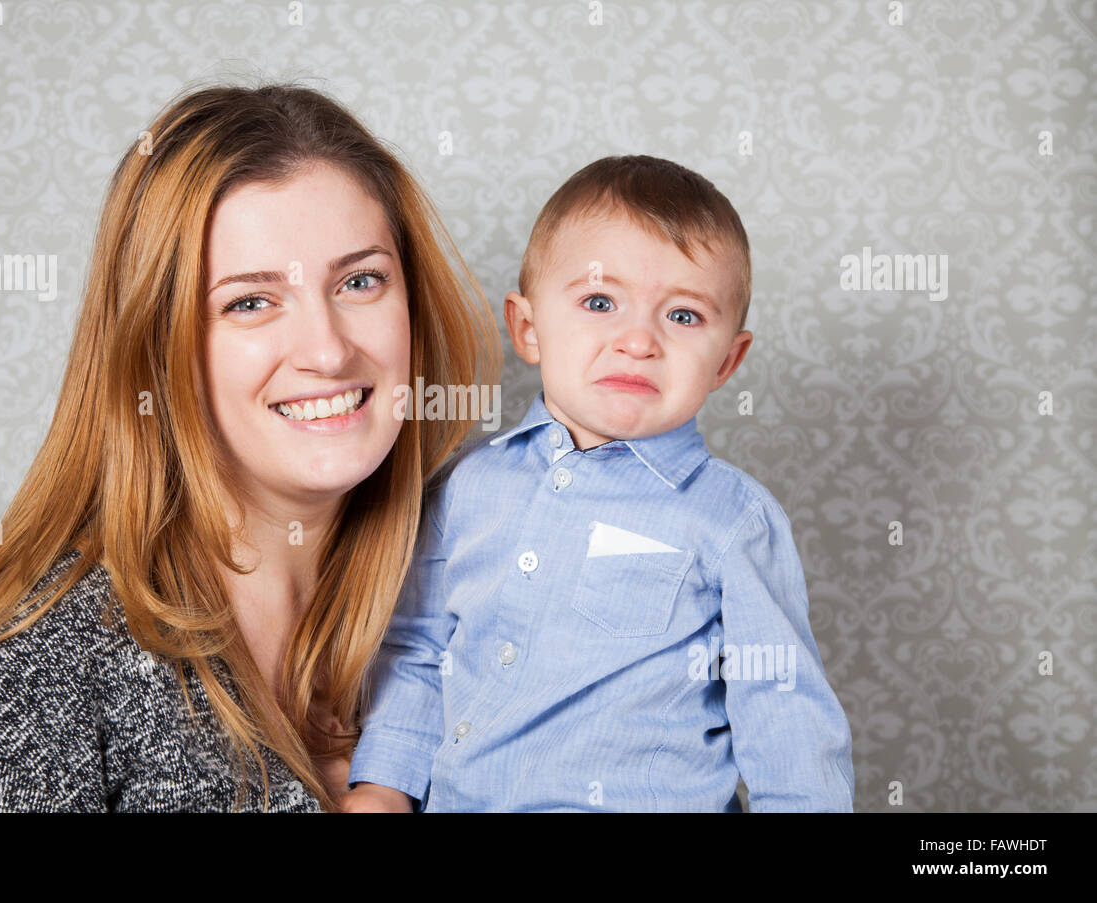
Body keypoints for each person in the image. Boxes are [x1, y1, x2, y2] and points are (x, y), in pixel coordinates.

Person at [0, 81, 500, 813]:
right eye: (250, 302)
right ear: (153, 350)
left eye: (360, 281)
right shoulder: (6, 687)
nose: (326, 351)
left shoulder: (486, 597)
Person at [343, 155, 855, 812]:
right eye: (599, 301)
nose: (637, 340)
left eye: (684, 316)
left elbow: (786, 713)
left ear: (727, 359)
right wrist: (382, 786)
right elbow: (418, 649)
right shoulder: (467, 487)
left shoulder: (731, 519)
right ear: (528, 328)